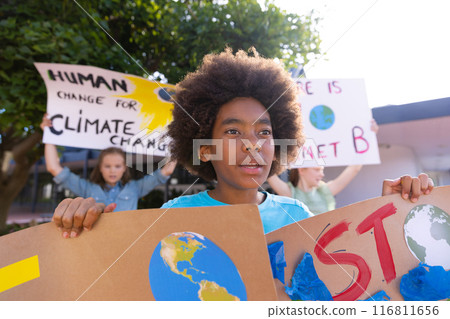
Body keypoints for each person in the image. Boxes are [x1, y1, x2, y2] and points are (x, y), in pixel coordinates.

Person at [50, 48, 434, 238]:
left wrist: (393, 214)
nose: (253, 145)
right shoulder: (173, 216)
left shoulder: (298, 216)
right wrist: (86, 228)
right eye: (233, 132)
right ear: (203, 147)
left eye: (264, 132)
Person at [40, 115, 176, 227]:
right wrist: (48, 134)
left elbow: (167, 171)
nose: (112, 171)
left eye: (117, 166)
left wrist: (176, 141)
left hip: (127, 241)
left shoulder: (135, 188)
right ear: (100, 168)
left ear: (124, 168)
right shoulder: (88, 188)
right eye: (107, 166)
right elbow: (54, 168)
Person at [267, 120, 379, 215]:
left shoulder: (325, 191)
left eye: (322, 170)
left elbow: (354, 169)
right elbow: (268, 172)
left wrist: (369, 136)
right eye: (317, 170)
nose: (322, 175)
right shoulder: (290, 193)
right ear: (301, 170)